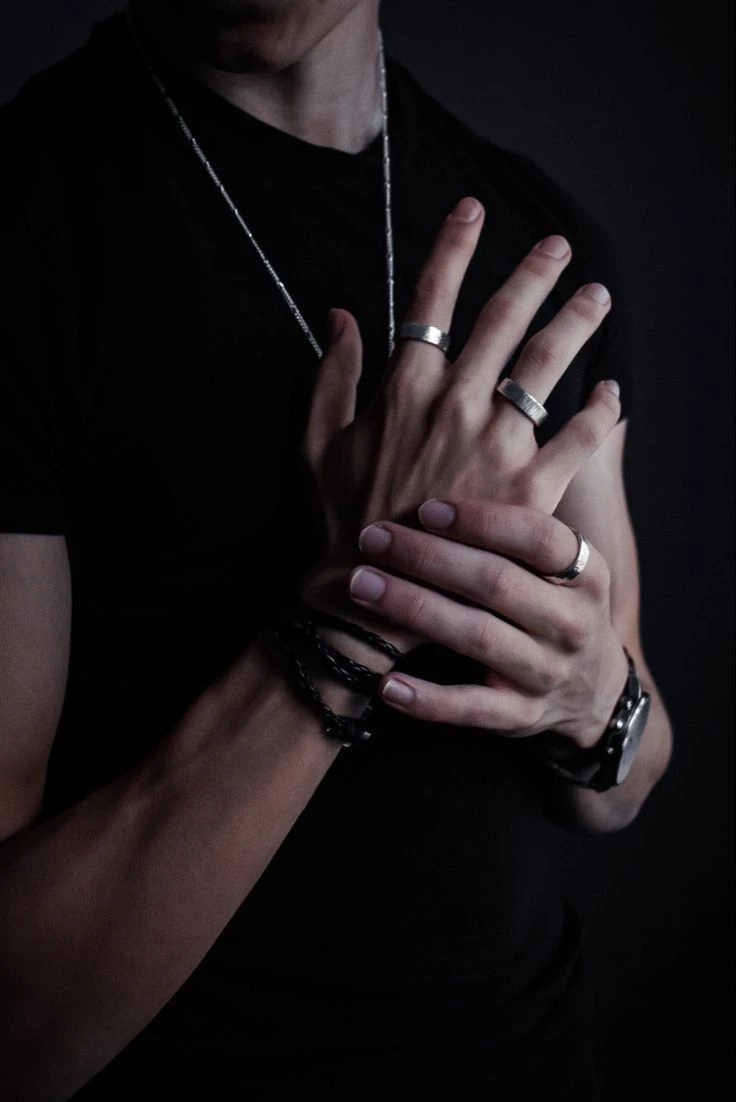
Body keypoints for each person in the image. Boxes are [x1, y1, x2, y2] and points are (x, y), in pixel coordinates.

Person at [0, 1, 672, 1098]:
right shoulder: (27, 217)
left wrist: (597, 700)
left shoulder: (538, 235)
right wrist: (361, 603)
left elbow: (625, 776)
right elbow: (14, 1024)